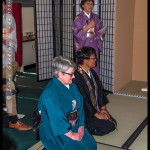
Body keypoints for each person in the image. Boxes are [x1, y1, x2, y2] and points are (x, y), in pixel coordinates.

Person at [38, 56, 97, 150]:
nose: (74, 77)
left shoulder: (72, 86)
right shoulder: (49, 95)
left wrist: (81, 125)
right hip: (58, 130)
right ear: (60, 74)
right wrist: (72, 135)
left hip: (75, 124)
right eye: (71, 74)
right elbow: (56, 120)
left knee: (92, 147)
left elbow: (80, 107)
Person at [73, 46, 117, 136]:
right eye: (93, 58)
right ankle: (84, 127)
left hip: (95, 109)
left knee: (113, 123)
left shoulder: (92, 72)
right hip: (85, 112)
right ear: (85, 60)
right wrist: (97, 114)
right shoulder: (76, 77)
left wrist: (103, 109)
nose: (96, 59)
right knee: (106, 128)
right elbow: (83, 100)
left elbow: (100, 92)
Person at [2, 0, 32, 131]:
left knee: (8, 84)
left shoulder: (9, 18)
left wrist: (7, 41)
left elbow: (11, 38)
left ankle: (13, 120)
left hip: (6, 57)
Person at [72, 0, 107, 76]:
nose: (90, 6)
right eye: (88, 4)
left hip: (93, 44)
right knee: (84, 64)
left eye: (92, 4)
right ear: (82, 5)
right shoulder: (78, 18)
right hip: (84, 45)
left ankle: (94, 84)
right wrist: (88, 26)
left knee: (94, 65)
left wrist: (101, 33)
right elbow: (76, 33)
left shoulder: (95, 17)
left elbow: (100, 30)